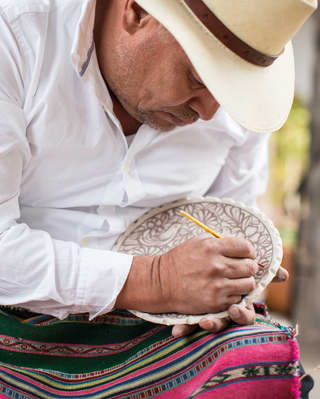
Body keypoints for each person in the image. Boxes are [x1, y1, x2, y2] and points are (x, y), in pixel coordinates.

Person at [0, 0, 316, 398]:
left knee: (258, 363)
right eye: (200, 78)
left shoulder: (227, 106)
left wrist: (226, 290)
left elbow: (230, 221)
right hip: (13, 317)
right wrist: (155, 280)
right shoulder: (14, 35)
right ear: (135, 11)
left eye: (229, 91)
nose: (209, 111)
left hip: (164, 329)